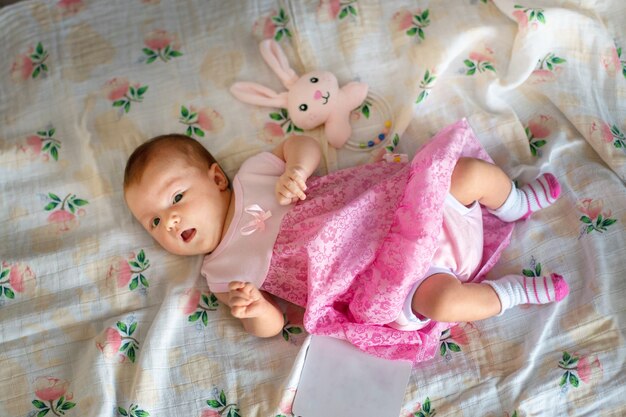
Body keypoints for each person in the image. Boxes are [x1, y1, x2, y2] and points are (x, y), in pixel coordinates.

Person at [123, 119, 569, 363]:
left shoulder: (253, 178)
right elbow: (272, 326)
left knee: (466, 176)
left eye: (176, 197)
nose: (170, 219)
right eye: (154, 221)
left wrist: (295, 171)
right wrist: (254, 309)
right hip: (386, 276)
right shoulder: (220, 273)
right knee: (444, 305)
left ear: (216, 178)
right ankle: (514, 293)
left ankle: (515, 201)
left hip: (398, 210)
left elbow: (301, 145)